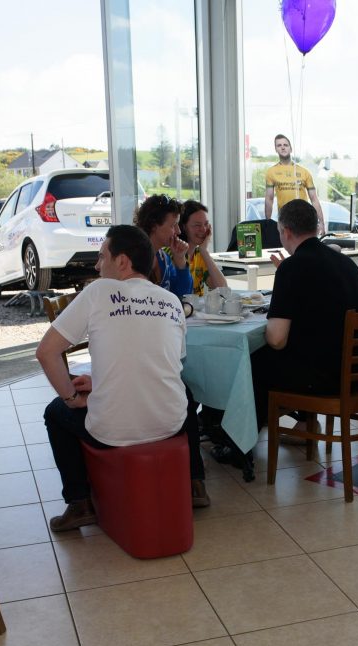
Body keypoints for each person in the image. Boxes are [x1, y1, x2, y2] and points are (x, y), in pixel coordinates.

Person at [37, 225, 208, 532]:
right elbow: (161, 362)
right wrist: (100, 379)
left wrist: (73, 398)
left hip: (113, 431)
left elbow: (46, 353)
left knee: (55, 412)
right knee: (184, 392)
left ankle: (79, 503)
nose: (97, 265)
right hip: (170, 423)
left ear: (123, 262)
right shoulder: (171, 301)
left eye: (102, 257)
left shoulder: (99, 291)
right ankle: (196, 483)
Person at [249, 199, 358, 434]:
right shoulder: (347, 264)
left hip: (326, 379)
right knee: (307, 345)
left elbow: (277, 339)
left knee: (251, 362)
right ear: (316, 227)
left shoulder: (292, 267)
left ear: (285, 231)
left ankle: (239, 440)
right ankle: (304, 426)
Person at [264, 134, 325, 232]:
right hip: (284, 220)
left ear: (291, 149)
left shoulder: (304, 172)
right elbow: (269, 199)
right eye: (279, 145)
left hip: (304, 219)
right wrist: (267, 223)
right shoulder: (271, 172)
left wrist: (321, 223)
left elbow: (314, 199)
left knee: (304, 246)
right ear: (276, 149)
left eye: (285, 145)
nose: (282, 147)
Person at [134, 194, 193, 296]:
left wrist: (180, 259)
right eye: (173, 225)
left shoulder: (163, 258)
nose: (178, 231)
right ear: (153, 226)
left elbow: (183, 295)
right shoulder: (131, 258)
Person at [178, 200, 227, 296]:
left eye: (206, 224)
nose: (203, 229)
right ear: (183, 227)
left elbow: (223, 290)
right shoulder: (173, 253)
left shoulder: (200, 254)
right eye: (197, 225)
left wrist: (204, 251)